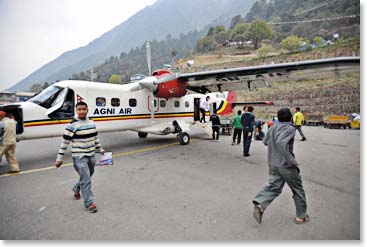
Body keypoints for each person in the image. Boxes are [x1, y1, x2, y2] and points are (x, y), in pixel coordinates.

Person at [252, 108, 308, 225]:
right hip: (286, 165)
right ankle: (301, 217)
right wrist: (292, 163)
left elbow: (266, 142)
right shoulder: (290, 128)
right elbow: (282, 144)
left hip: (273, 164)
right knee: (298, 190)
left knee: (274, 187)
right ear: (290, 117)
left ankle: (261, 203)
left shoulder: (272, 127)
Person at [55, 102, 104, 213]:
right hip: (79, 157)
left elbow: (95, 138)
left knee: (88, 176)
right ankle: (89, 203)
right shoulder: (72, 125)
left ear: (87, 110)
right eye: (79, 109)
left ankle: (76, 188)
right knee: (86, 180)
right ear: (76, 111)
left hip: (91, 155)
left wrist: (100, 149)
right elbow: (65, 142)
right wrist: (59, 158)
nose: (82, 111)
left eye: (84, 109)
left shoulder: (91, 122)